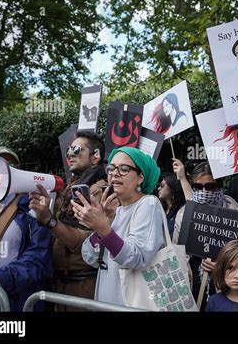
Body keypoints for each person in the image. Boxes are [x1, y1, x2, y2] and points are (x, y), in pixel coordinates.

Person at [29, 130, 109, 311]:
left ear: (95, 157)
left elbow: (84, 243)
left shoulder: (98, 190)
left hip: (83, 286)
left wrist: (49, 220)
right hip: (64, 284)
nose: (70, 154)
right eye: (68, 150)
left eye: (77, 149)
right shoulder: (72, 188)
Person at [0, 147, 52, 311]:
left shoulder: (33, 211)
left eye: (8, 168)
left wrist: (0, 280)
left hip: (13, 301)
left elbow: (37, 260)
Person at [79, 147, 164, 306]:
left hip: (133, 304)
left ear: (140, 177)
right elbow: (89, 257)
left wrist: (103, 228)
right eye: (111, 168)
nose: (114, 173)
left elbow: (136, 257)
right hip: (106, 302)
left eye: (124, 169)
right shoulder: (113, 210)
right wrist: (103, 223)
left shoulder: (149, 203)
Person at [172, 161, 238, 310]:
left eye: (210, 186)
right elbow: (177, 253)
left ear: (219, 186)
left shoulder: (236, 213)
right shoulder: (184, 214)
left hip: (226, 286)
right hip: (192, 284)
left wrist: (223, 265)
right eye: (198, 187)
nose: (205, 191)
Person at [157, 172, 185, 237]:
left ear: (172, 187)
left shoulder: (181, 211)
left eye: (162, 185)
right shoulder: (160, 209)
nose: (159, 188)